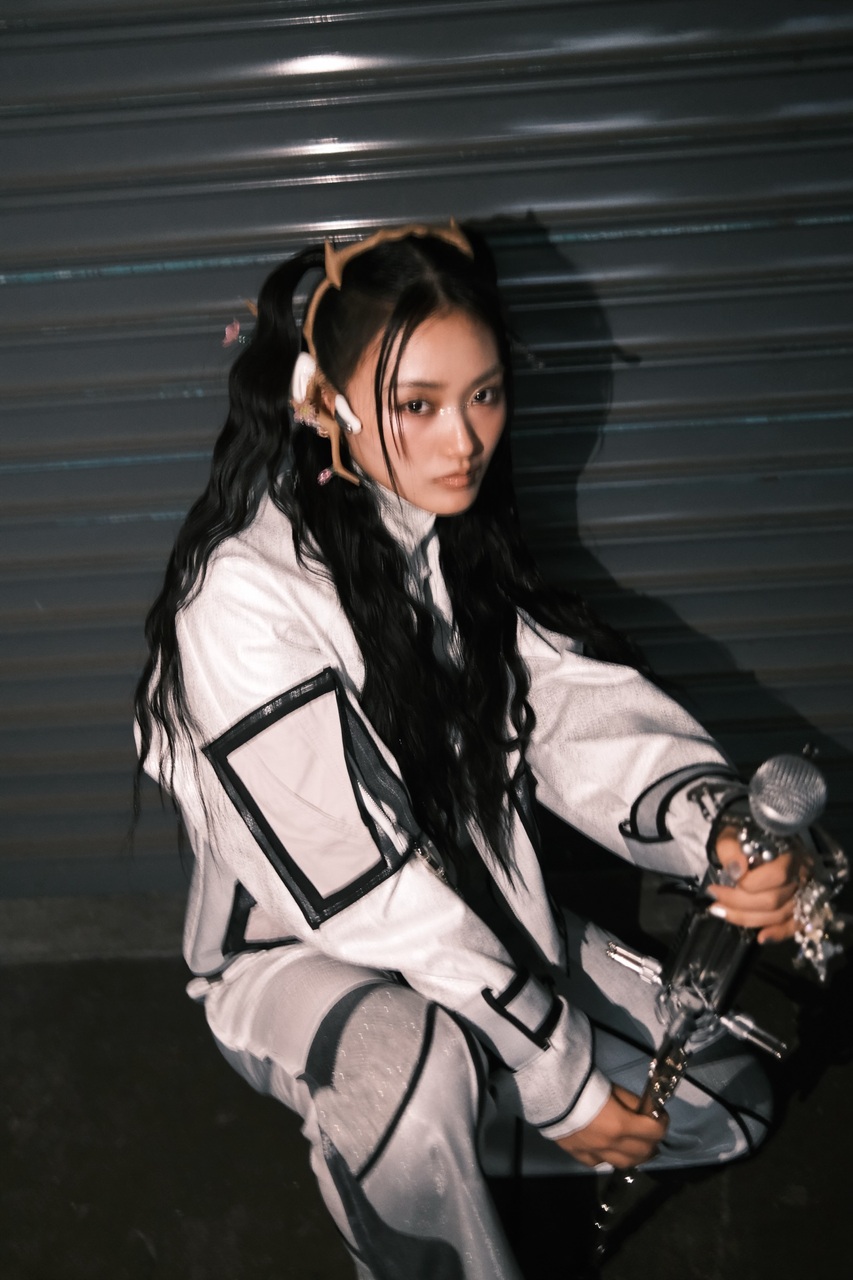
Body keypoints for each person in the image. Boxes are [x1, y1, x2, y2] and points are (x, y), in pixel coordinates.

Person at [135, 222, 806, 1280]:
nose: (464, 441)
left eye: (484, 395)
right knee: (415, 1072)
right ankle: (424, 1158)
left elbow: (565, 707)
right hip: (304, 953)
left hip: (477, 910)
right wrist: (561, 1075)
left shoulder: (438, 534)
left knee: (726, 1103)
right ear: (324, 401)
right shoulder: (242, 598)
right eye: (418, 404)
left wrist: (712, 825)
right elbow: (367, 895)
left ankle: (468, 1145)